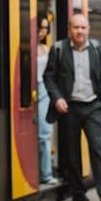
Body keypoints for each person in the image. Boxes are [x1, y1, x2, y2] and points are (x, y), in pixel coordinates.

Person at [43, 13, 101, 201]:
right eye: (76, 27)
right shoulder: (59, 49)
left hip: (93, 106)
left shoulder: (97, 49)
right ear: (69, 30)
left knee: (97, 148)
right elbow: (48, 77)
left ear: (88, 29)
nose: (80, 31)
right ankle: (77, 191)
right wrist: (57, 98)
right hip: (69, 107)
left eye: (83, 27)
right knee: (71, 153)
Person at [36, 16, 58, 185]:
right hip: (29, 91)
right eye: (40, 27)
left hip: (43, 90)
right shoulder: (25, 47)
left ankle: (46, 173)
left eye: (45, 28)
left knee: (44, 132)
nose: (42, 32)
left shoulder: (46, 48)